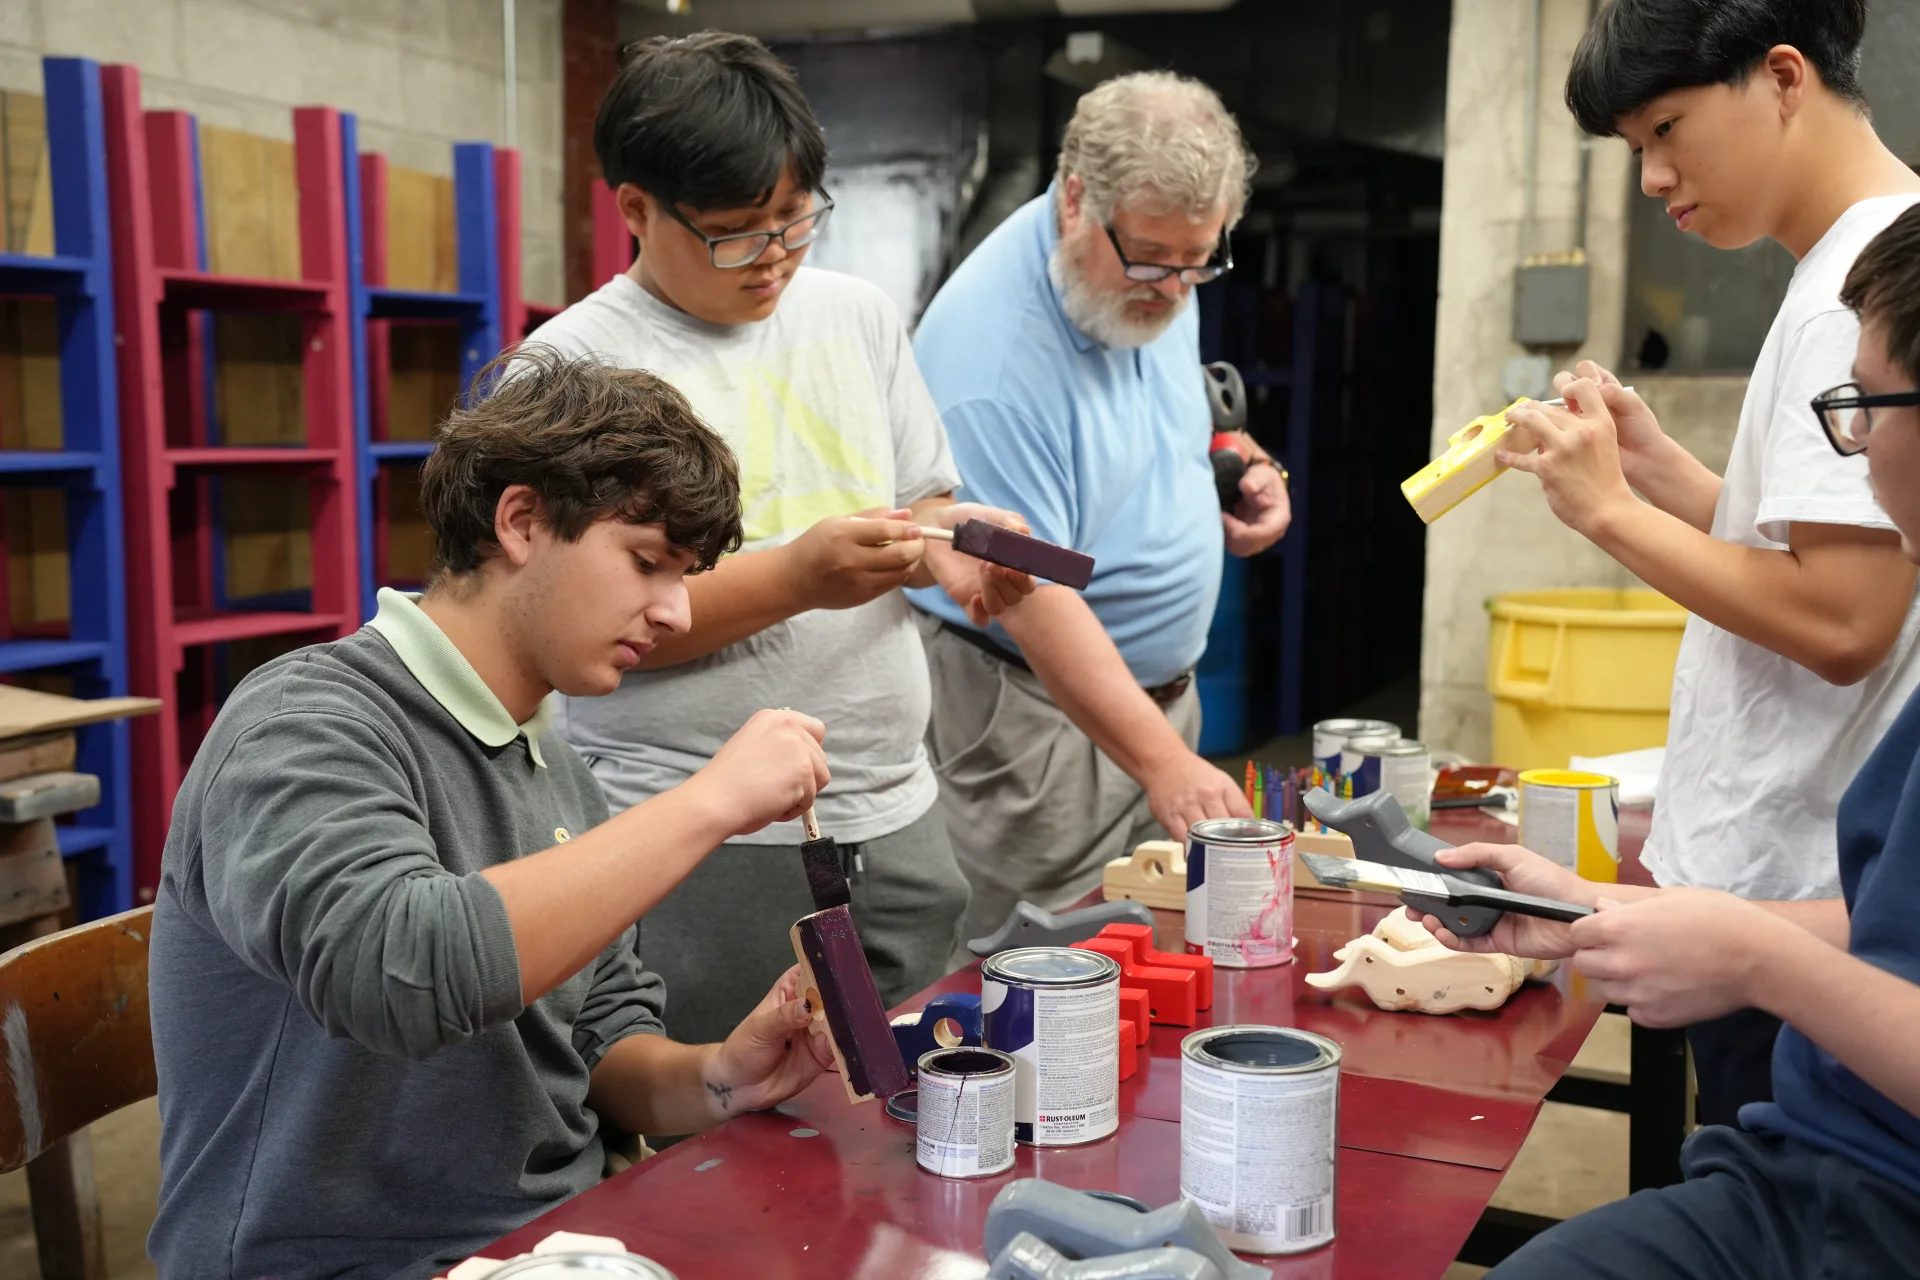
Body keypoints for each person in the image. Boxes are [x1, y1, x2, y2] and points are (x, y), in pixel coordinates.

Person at [147, 353, 841, 1280]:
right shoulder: (304, 724)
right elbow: (404, 975)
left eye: (685, 574)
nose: (676, 612)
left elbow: (592, 1040)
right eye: (647, 564)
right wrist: (711, 801)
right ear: (520, 522)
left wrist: (721, 1076)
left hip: (558, 1240)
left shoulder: (553, 765)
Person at [1410, 202, 1920, 1280]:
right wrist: (1599, 906)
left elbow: (1835, 621)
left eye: (1866, 408)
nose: (1855, 453)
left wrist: (1750, 954)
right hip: (1815, 1151)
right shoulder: (1820, 268)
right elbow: (1887, 926)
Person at [530, 33, 1030, 1043]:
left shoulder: (856, 315)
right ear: (635, 208)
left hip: (892, 806)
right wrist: (799, 576)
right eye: (734, 233)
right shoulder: (571, 373)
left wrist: (956, 547)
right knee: (724, 1129)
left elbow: (919, 501)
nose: (775, 257)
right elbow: (579, 641)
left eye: (796, 220)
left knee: (922, 1105)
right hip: (694, 830)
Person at [1497, 0, 1920, 1125]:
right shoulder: (1850, 256)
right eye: (1636, 147)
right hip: (1782, 879)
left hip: (1793, 898)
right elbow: (1822, 537)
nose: (1651, 177)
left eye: (1666, 129)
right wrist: (1657, 472)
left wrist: (1606, 516)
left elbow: (1844, 620)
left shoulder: (1858, 290)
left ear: (1783, 78)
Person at [908, 72, 1290, 947]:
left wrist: (1235, 460)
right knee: (1040, 974)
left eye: (1202, 262)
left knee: (1150, 971)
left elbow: (1165, 408)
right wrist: (1163, 763)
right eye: (1156, 260)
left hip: (1157, 708)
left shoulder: (1146, 269)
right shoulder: (994, 365)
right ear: (1076, 197)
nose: (1177, 289)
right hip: (1034, 723)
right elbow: (1028, 587)